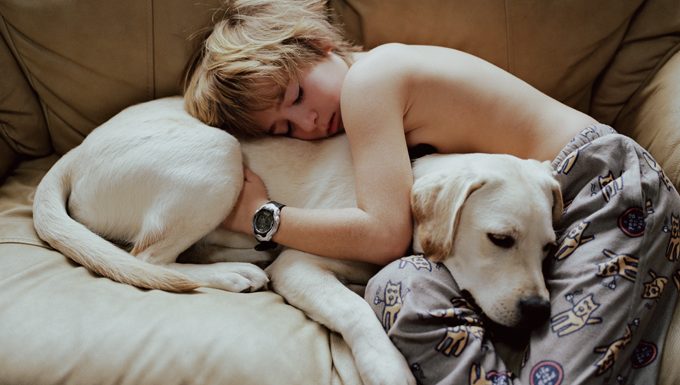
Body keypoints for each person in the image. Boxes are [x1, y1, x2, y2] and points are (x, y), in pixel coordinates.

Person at [183, 1, 680, 384]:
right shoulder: (362, 107)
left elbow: (382, 233)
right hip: (510, 216)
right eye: (286, 128)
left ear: (317, 44)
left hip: (600, 184)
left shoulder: (372, 82)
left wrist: (261, 216)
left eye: (294, 96)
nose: (308, 122)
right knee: (397, 289)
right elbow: (400, 244)